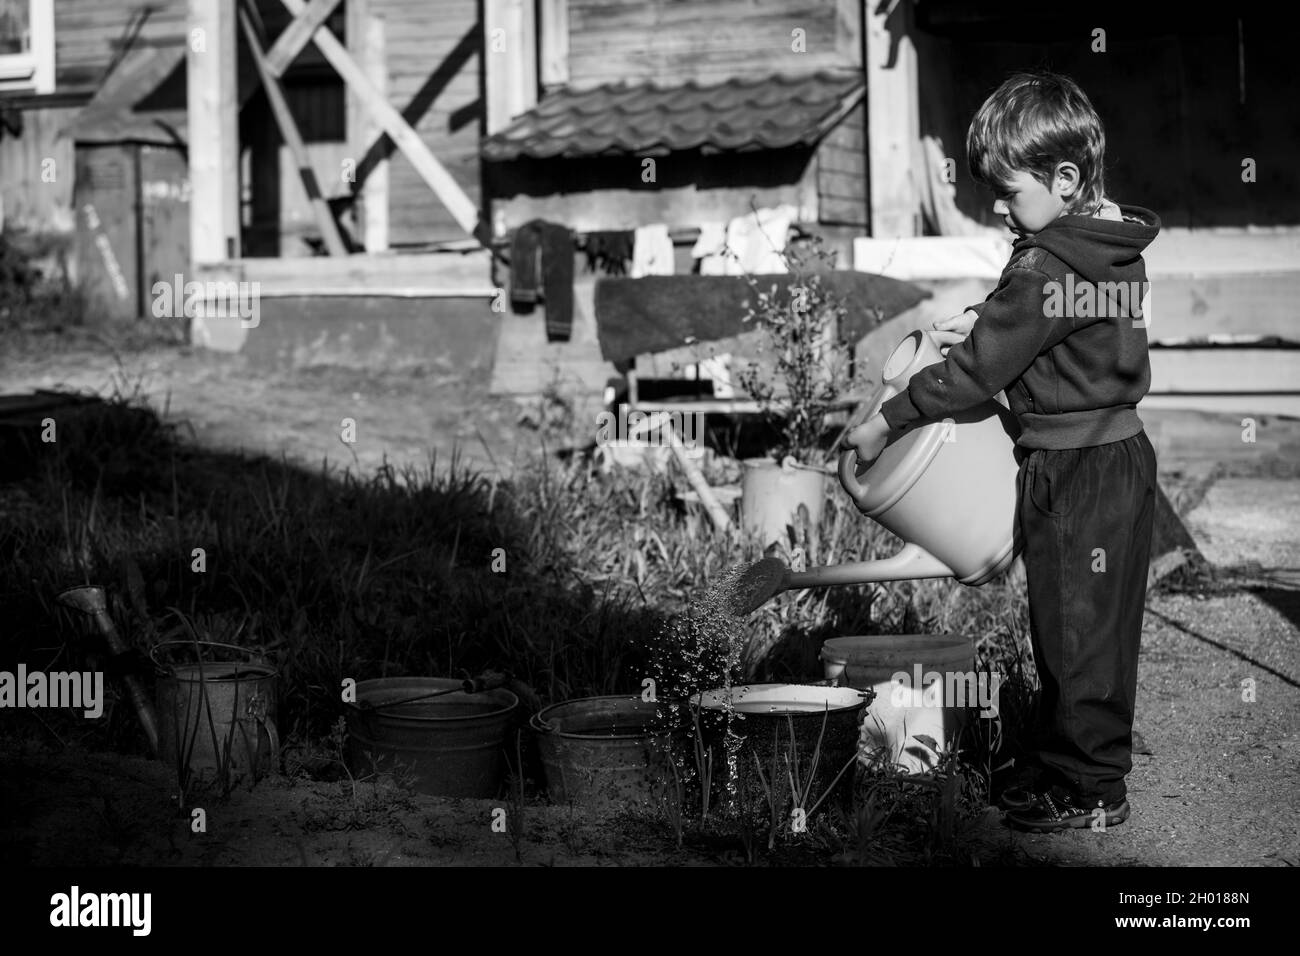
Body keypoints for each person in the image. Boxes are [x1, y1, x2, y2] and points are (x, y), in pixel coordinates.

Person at [845, 71, 1160, 832]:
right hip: (1121, 458)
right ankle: (1075, 757)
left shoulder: (1045, 260)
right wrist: (989, 316)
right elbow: (1054, 320)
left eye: (1009, 191)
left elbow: (983, 370)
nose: (997, 205)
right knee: (1096, 625)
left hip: (1072, 471)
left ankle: (1089, 788)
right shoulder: (1108, 247)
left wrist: (890, 418)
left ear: (1064, 178)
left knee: (1071, 632)